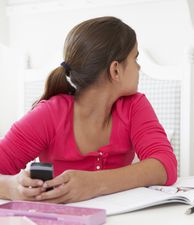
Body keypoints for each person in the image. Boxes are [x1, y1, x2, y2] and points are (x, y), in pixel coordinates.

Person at [0, 17, 177, 203]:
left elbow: (165, 165)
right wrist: (12, 187)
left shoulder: (135, 106)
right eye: (135, 58)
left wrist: (95, 183)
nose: (138, 67)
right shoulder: (49, 114)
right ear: (115, 70)